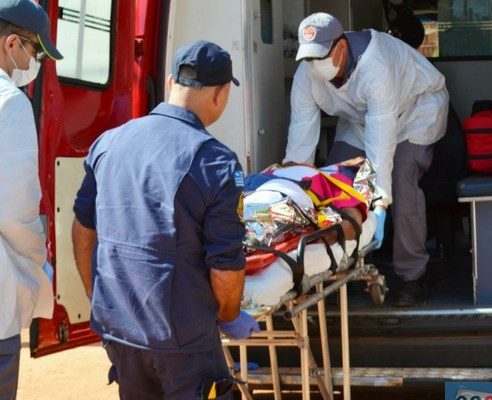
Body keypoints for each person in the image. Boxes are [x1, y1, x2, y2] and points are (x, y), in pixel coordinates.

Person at [72, 40, 259, 400]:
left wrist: (96, 295)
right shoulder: (216, 162)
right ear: (221, 95)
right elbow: (225, 268)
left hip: (119, 330)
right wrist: (229, 314)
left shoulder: (109, 142)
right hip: (183, 342)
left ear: (172, 82)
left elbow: (83, 229)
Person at [283, 12, 449, 307]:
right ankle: (339, 270)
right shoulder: (307, 76)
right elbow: (300, 141)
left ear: (341, 48)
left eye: (320, 57)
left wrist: (380, 202)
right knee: (334, 183)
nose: (314, 65)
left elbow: (381, 146)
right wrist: (292, 191)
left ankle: (412, 275)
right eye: (309, 59)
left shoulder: (376, 66)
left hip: (416, 110)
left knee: (400, 179)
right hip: (361, 120)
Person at [0, 1, 62, 398]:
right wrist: (40, 267)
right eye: (35, 51)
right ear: (11, 45)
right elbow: (15, 212)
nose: (36, 60)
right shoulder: (10, 103)